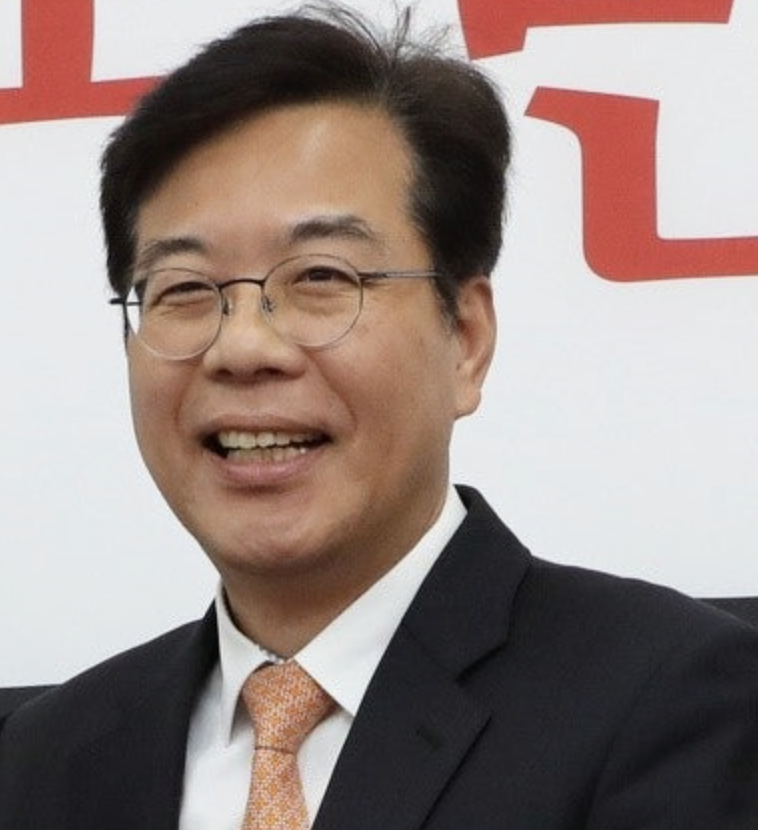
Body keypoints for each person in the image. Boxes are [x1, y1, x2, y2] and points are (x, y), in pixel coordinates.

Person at [1, 5, 757, 828]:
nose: (243, 347)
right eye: (184, 289)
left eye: (321, 277)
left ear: (465, 339)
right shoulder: (44, 759)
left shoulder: (671, 699)